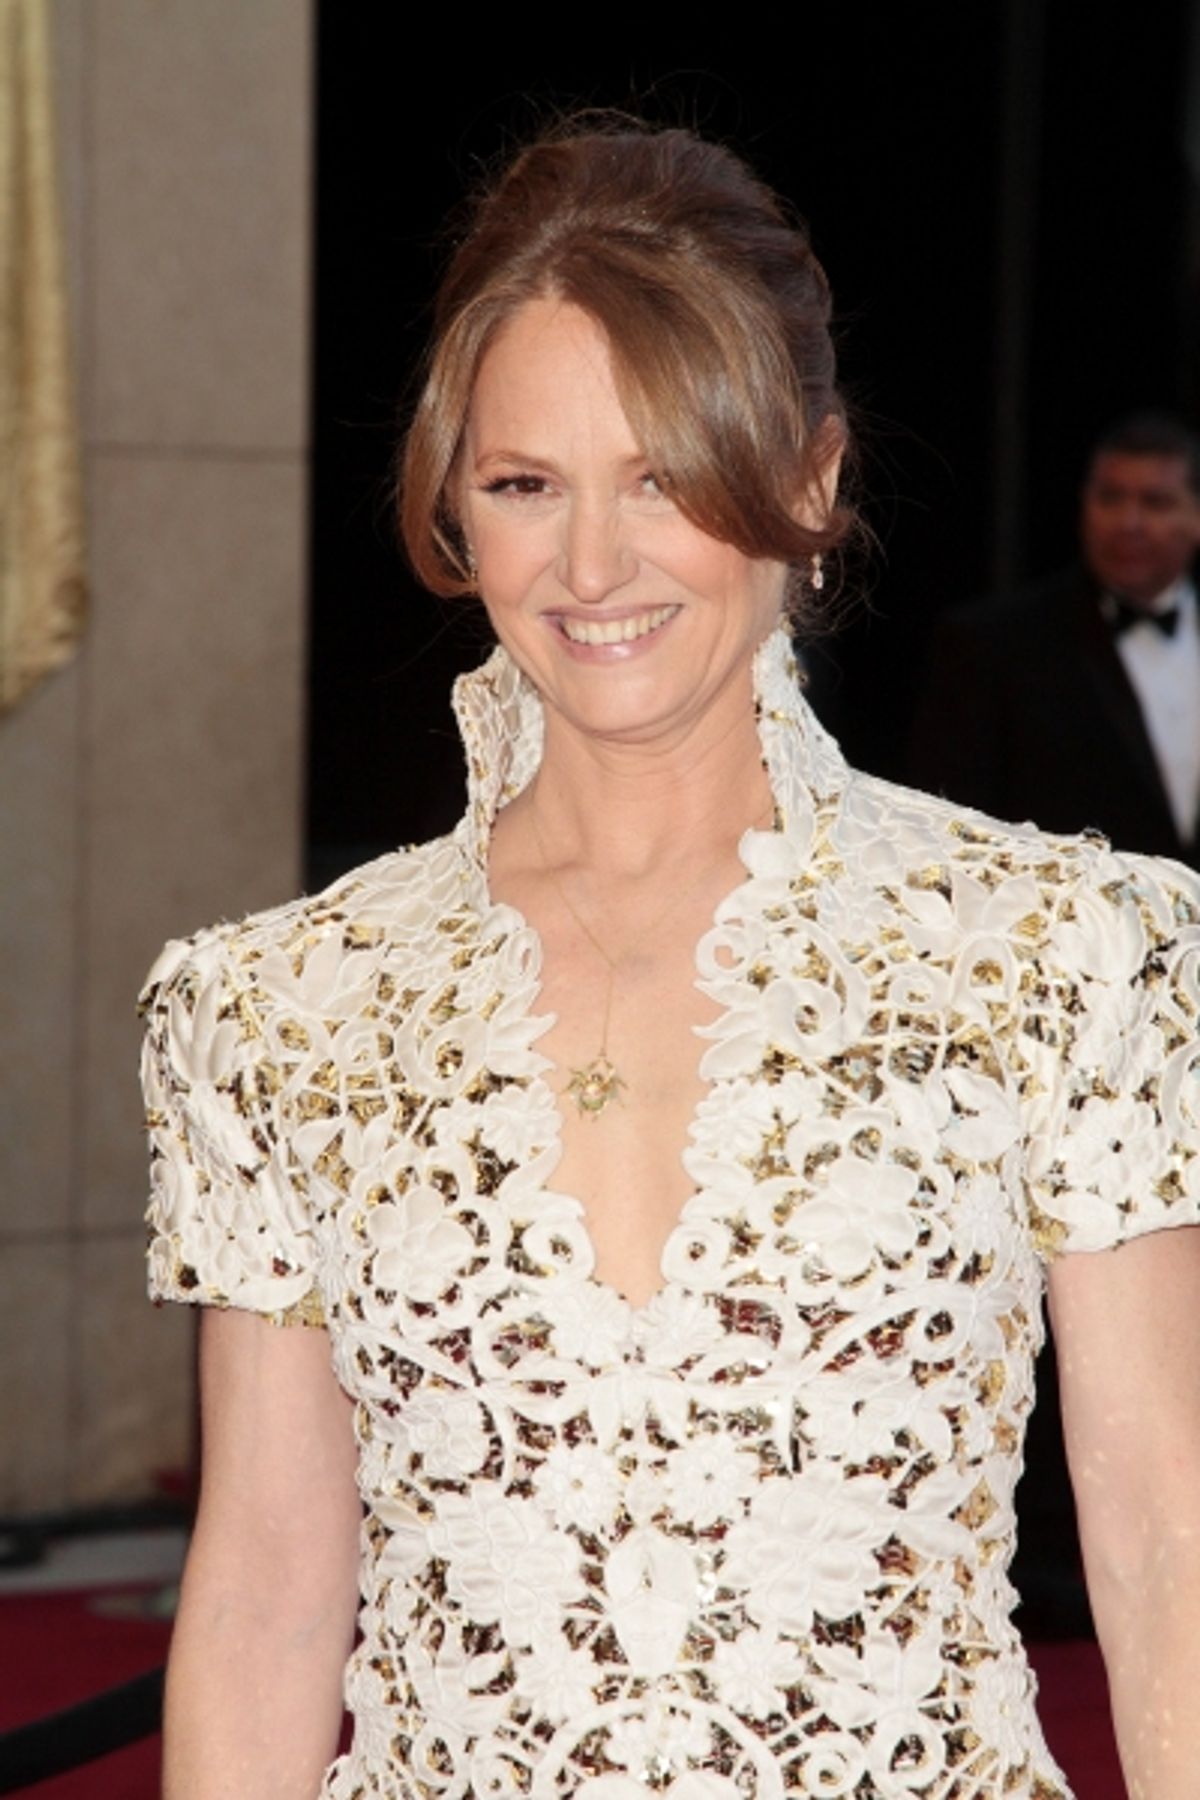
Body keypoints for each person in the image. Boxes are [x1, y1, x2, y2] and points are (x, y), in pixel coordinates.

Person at [140, 122, 1200, 1800]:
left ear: (811, 479)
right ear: (452, 504)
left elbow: (1162, 1550)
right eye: (525, 484)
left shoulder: (1065, 954)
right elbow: (268, 1596)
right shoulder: (277, 1009)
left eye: (662, 477)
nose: (590, 566)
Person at [909, 413, 1200, 864]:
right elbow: (949, 826)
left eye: (1156, 502)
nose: (1130, 522)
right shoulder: (993, 645)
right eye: (1111, 498)